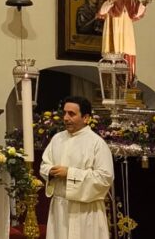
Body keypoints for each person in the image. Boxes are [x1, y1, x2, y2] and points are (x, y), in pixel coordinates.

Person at [40, 96, 114, 239]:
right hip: (60, 208)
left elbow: (105, 178)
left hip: (85, 211)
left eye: (72, 114)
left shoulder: (97, 143)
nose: (66, 118)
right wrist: (50, 171)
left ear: (86, 118)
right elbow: (44, 165)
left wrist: (70, 173)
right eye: (65, 113)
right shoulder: (57, 139)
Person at [98, 0, 155, 85]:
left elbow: (135, 11)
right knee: (115, 50)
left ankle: (128, 82)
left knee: (128, 50)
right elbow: (101, 11)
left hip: (126, 25)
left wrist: (144, 4)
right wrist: (109, 2)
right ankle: (113, 84)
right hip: (114, 23)